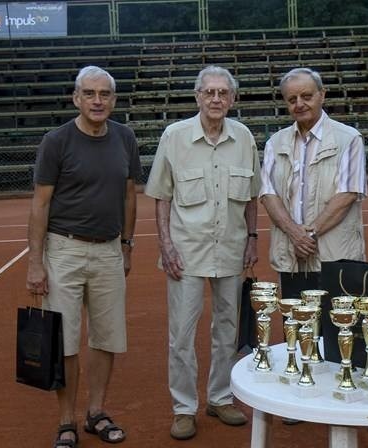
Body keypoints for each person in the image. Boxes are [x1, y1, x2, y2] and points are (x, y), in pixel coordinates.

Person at [26, 65, 140, 448]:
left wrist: (127, 245)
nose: (97, 100)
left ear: (113, 99)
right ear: (76, 98)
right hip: (64, 251)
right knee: (66, 342)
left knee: (106, 337)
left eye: (104, 94)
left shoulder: (125, 138)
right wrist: (35, 262)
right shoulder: (56, 141)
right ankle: (66, 421)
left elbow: (128, 194)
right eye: (89, 94)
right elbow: (40, 205)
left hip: (109, 250)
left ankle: (95, 412)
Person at [144, 65, 260, 441]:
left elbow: (252, 197)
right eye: (208, 92)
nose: (215, 99)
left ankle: (220, 397)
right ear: (197, 96)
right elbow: (161, 196)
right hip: (186, 252)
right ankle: (183, 407)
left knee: (226, 329)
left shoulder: (243, 137)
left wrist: (252, 238)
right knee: (182, 333)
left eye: (222, 93)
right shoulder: (174, 136)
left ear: (232, 98)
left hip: (230, 248)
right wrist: (165, 243)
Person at [259, 67, 367, 299]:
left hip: (336, 256)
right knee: (296, 329)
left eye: (306, 96)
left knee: (338, 329)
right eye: (292, 99)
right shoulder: (274, 142)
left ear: (322, 95)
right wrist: (295, 235)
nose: (299, 104)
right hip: (291, 257)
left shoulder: (349, 139)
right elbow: (268, 194)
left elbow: (347, 194)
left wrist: (308, 236)